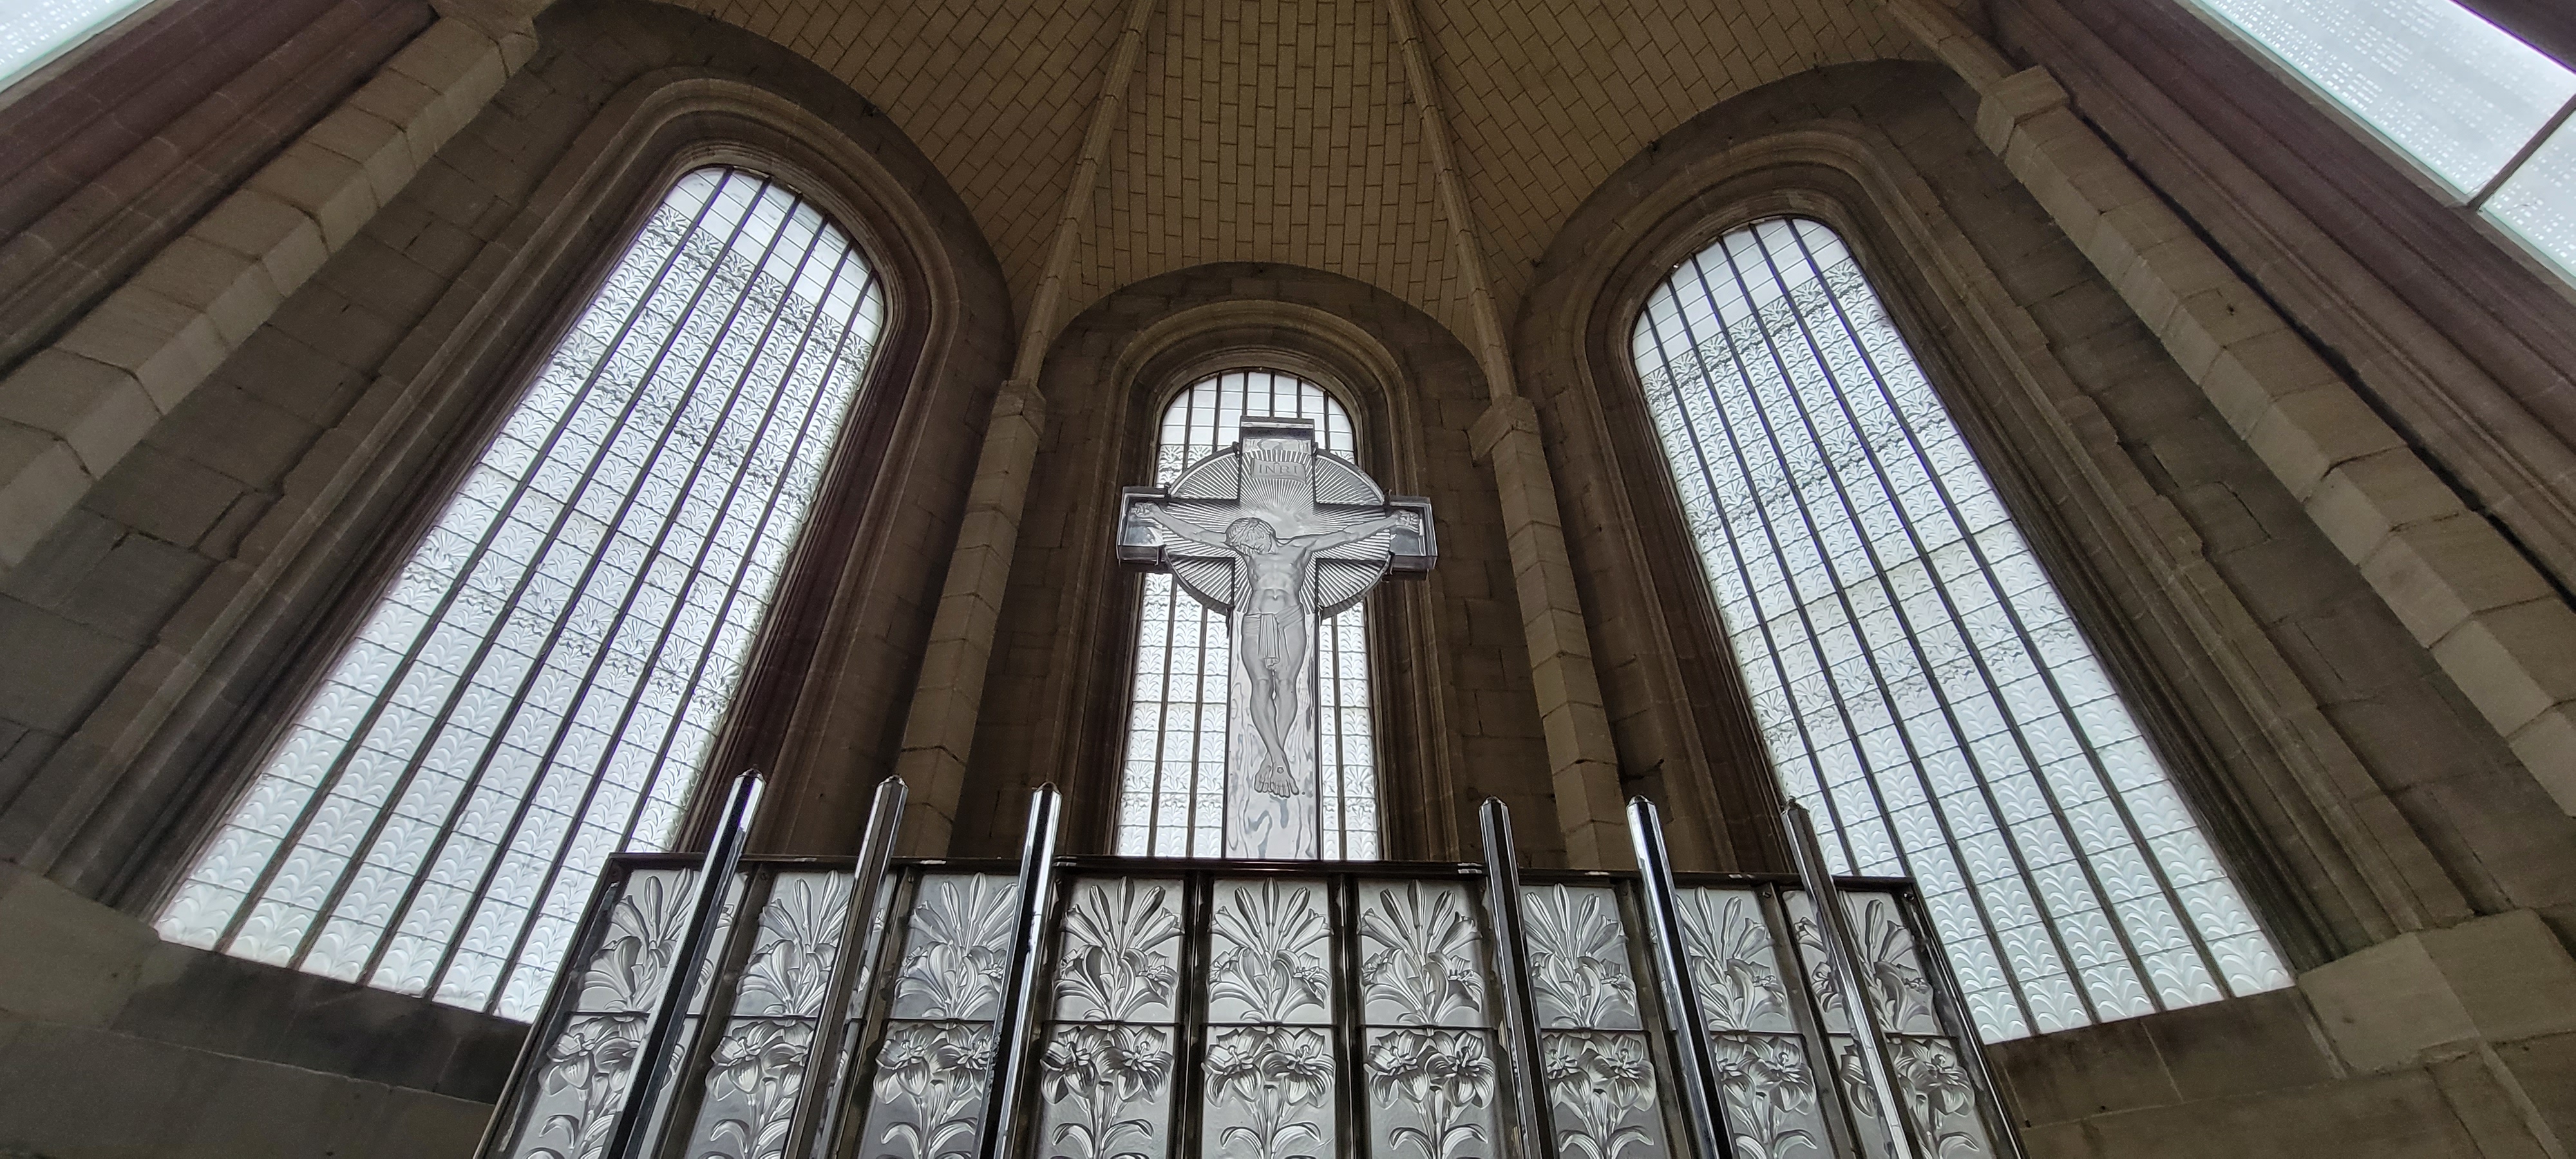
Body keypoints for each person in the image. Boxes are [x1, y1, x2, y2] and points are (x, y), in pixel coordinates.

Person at [1136, 505, 1421, 794]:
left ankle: (1272, 759)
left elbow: (1348, 534)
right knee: (1260, 685)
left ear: (1261, 533)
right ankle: (1278, 760)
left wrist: (1391, 521)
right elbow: (1197, 534)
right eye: (1242, 547)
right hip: (1256, 620)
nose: (1245, 550)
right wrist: (1157, 514)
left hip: (1289, 619)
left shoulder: (1299, 547)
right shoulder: (1249, 553)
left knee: (1286, 685)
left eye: (1248, 543)